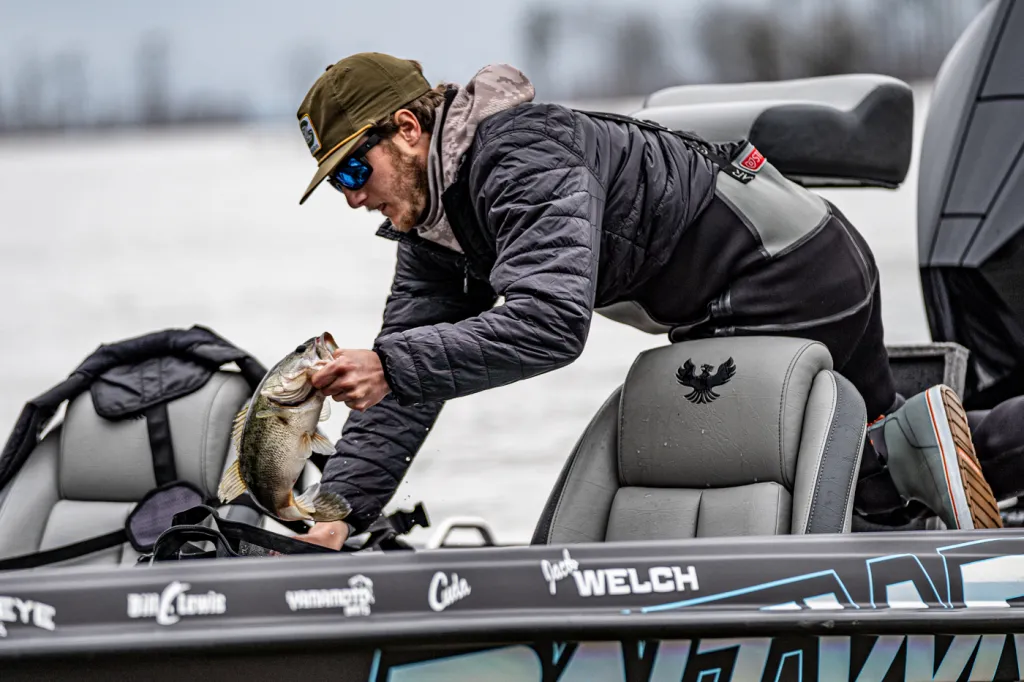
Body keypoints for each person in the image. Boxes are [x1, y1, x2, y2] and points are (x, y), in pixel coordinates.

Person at [290, 52, 1003, 549]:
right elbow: (408, 386)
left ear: (409, 130)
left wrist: (392, 363)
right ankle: (921, 446)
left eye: (357, 166)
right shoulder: (433, 228)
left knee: (836, 484)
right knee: (873, 487)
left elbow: (550, 324)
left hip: (784, 270)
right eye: (338, 183)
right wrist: (336, 515)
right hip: (745, 285)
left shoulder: (519, 156)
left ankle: (912, 446)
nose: (354, 196)